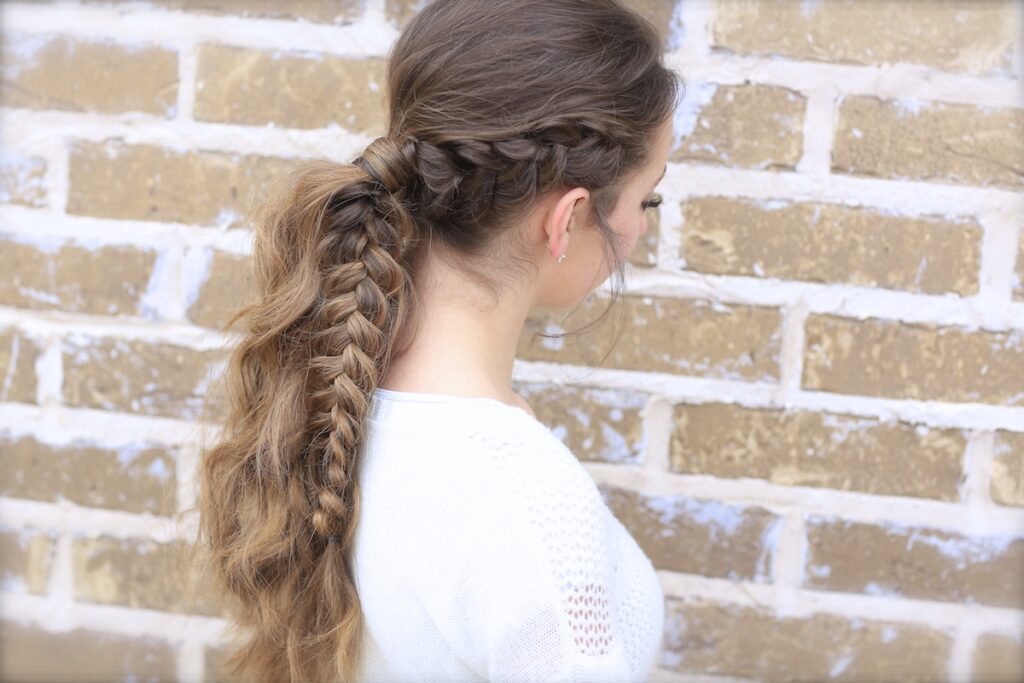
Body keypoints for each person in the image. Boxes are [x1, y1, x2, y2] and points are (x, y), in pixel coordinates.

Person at [194, 0, 681, 681]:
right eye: (645, 200)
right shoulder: (531, 510)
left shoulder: (336, 394)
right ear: (568, 219)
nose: (641, 228)